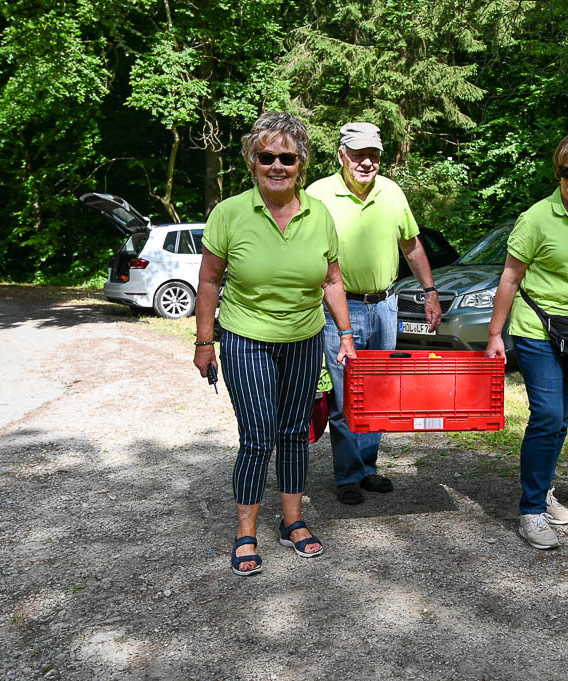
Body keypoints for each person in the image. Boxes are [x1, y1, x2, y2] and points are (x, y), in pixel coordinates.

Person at [193, 112, 357, 576]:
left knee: (295, 434)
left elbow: (331, 280)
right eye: (267, 157)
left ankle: (293, 521)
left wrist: (345, 335)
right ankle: (246, 531)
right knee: (258, 437)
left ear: (301, 163)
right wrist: (205, 342)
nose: (277, 165)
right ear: (253, 161)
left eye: (287, 157)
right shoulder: (230, 213)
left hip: (304, 339)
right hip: (247, 338)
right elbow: (208, 281)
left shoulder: (318, 213)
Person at [485, 128, 568, 550]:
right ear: (558, 173)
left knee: (563, 418)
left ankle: (543, 491)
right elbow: (510, 276)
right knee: (546, 415)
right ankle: (530, 510)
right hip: (537, 329)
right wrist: (495, 333)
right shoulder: (536, 218)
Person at [307, 122, 442, 505]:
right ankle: (347, 474)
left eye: (374, 155)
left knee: (379, 393)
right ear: (341, 156)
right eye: (359, 154)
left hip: (385, 305)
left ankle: (367, 468)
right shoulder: (317, 194)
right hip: (339, 309)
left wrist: (430, 293)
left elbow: (412, 246)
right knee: (346, 394)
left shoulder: (392, 192)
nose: (367, 162)